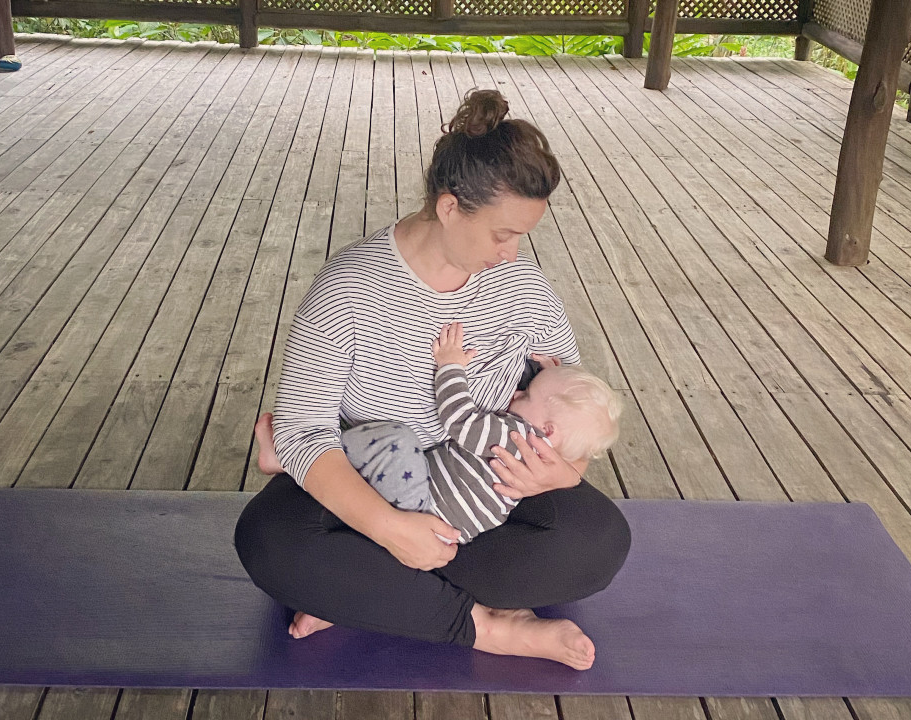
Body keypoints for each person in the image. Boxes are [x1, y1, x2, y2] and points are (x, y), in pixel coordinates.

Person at [234, 88, 631, 672]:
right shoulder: (347, 289)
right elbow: (302, 434)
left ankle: (372, 595)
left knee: (599, 542)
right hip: (372, 484)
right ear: (449, 207)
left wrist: (564, 474)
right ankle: (486, 625)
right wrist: (391, 527)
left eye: (524, 235)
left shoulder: (525, 290)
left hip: (482, 497)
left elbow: (572, 404)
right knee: (269, 542)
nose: (514, 251)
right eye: (502, 234)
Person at [254, 321, 623, 545]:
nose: (516, 392)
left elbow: (458, 419)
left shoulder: (513, 434)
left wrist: (449, 366)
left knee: (397, 441)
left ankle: (289, 459)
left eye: (528, 393)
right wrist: (545, 371)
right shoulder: (544, 450)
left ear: (547, 430)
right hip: (457, 532)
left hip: (425, 504)